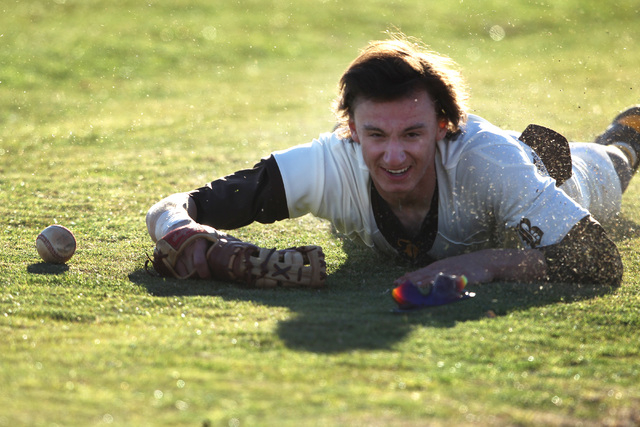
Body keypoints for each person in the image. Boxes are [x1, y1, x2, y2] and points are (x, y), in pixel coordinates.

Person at [146, 35, 640, 289]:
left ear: (444, 124)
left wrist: (482, 264)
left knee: (611, 162)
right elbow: (184, 204)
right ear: (352, 128)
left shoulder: (488, 163)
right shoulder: (331, 163)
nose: (394, 155)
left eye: (412, 133)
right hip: (510, 156)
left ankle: (628, 132)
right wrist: (183, 232)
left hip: (557, 173)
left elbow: (599, 262)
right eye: (375, 134)